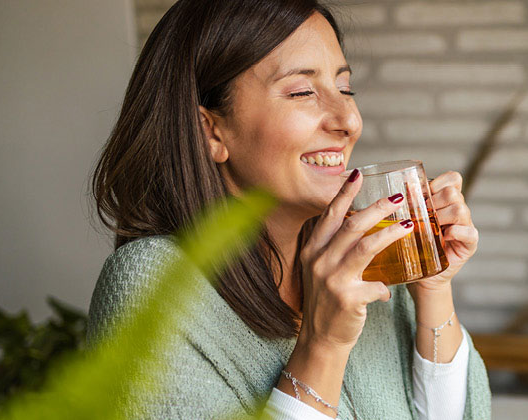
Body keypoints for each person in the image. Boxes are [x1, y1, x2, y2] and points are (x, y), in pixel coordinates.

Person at [86, 0, 491, 418]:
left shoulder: (365, 260)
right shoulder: (153, 287)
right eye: (302, 92)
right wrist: (323, 345)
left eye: (345, 88)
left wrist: (432, 288)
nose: (349, 119)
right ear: (210, 130)